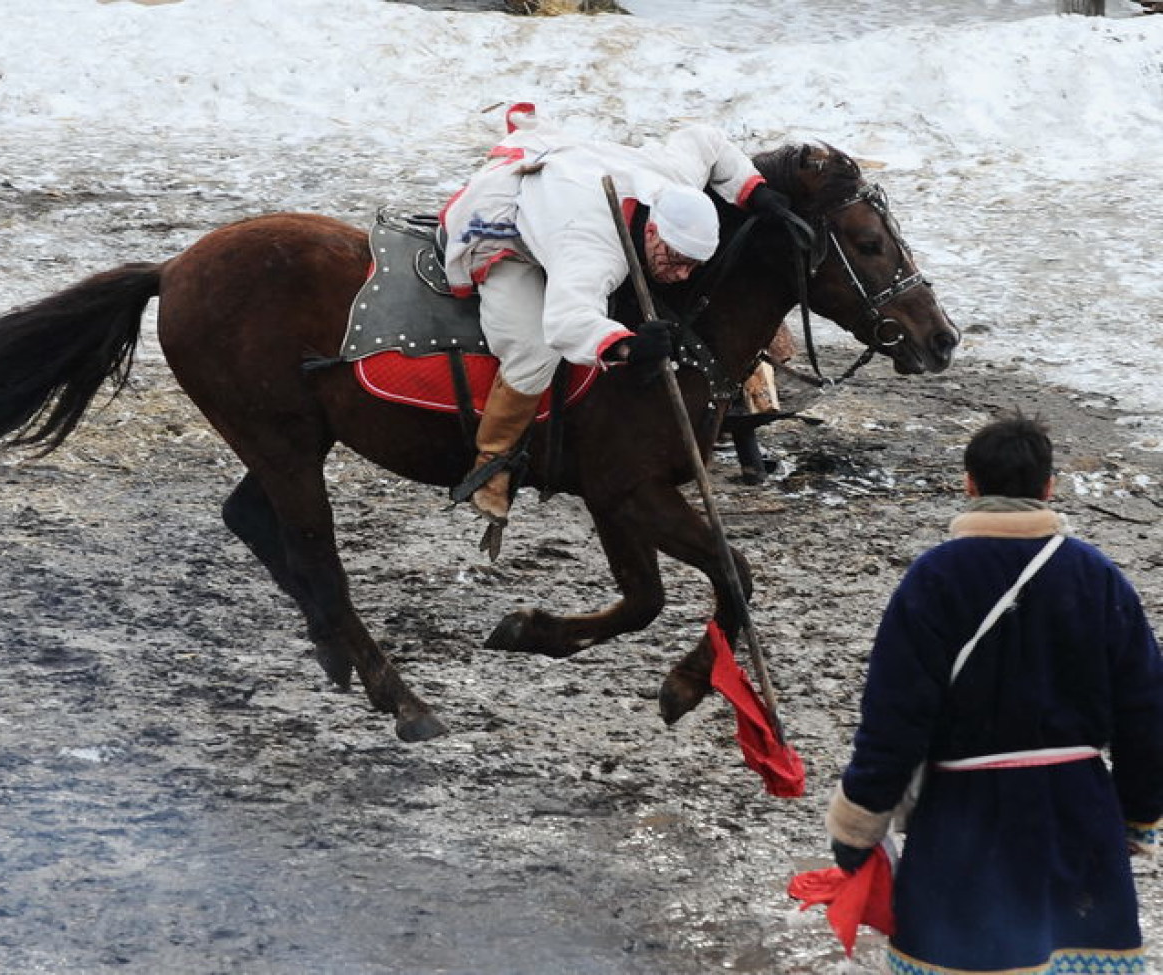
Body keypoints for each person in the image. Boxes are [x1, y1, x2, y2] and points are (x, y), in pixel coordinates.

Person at [823, 412, 1163, 974]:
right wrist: (1137, 815)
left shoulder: (932, 580)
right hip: (1077, 816)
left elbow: (894, 720)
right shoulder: (1097, 577)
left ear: (970, 485)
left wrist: (859, 826)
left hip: (963, 824)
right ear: (1049, 487)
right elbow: (1146, 709)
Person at [440, 103, 791, 537]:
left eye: (692, 266)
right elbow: (567, 321)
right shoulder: (592, 248)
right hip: (506, 220)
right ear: (651, 230)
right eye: (676, 260)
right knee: (531, 351)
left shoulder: (675, 179)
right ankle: (492, 466)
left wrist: (754, 193)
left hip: (572, 169)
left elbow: (708, 141)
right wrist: (627, 345)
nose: (682, 274)